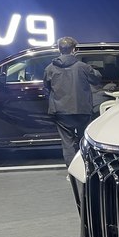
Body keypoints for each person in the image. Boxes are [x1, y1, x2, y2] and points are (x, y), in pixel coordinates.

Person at [43, 36, 102, 165]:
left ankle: (71, 170)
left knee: (67, 143)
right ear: (74, 49)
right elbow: (97, 78)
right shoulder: (83, 67)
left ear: (59, 49)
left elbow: (46, 88)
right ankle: (85, 168)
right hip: (82, 109)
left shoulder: (50, 68)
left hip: (60, 111)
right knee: (83, 141)